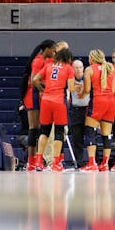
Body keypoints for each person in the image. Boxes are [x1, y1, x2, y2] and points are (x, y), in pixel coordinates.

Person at [30, 45, 76, 173]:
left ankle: (38, 161)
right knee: (59, 132)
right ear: (68, 58)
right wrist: (79, 87)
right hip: (58, 101)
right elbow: (71, 89)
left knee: (44, 131)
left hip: (46, 100)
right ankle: (56, 163)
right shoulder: (68, 68)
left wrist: (42, 89)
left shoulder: (49, 66)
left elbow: (34, 79)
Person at [22, 40, 57, 171]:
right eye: (53, 49)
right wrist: (47, 88)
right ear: (47, 49)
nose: (54, 52)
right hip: (33, 95)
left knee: (43, 129)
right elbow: (33, 80)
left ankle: (38, 160)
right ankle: (31, 161)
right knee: (34, 128)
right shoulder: (38, 60)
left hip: (42, 95)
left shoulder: (48, 60)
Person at [80, 49, 115, 172]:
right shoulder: (110, 67)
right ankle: (105, 163)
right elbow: (113, 90)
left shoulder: (89, 69)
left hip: (98, 101)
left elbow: (87, 89)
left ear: (92, 58)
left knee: (90, 131)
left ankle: (92, 163)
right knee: (107, 134)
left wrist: (80, 94)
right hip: (111, 102)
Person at [68, 58, 90, 167]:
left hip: (87, 110)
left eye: (80, 67)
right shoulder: (69, 80)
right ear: (72, 69)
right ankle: (80, 162)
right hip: (75, 111)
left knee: (91, 136)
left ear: (83, 68)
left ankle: (93, 161)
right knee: (77, 138)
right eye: (76, 67)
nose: (78, 69)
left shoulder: (88, 79)